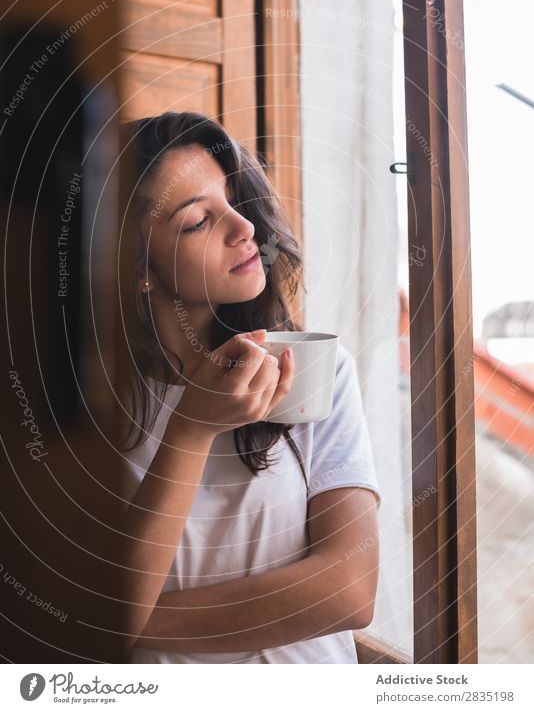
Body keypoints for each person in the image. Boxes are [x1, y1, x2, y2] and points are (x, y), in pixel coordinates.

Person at [118, 111, 381, 664]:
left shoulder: (315, 370)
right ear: (134, 266)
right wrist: (191, 429)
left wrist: (135, 622)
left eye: (233, 201)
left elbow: (349, 590)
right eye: (198, 221)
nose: (245, 230)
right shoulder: (87, 411)